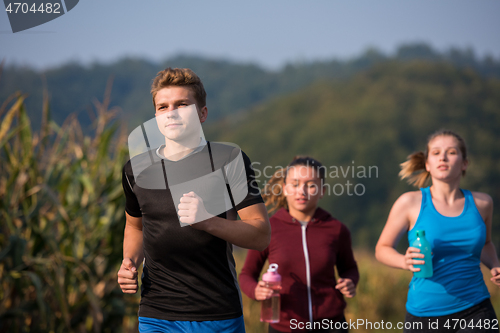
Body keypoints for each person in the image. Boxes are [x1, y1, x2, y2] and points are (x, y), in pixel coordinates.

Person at [117, 67, 271, 333]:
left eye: (182, 104)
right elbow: (135, 226)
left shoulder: (229, 160)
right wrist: (128, 262)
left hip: (216, 312)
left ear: (202, 114)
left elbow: (260, 235)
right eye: (163, 107)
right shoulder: (136, 168)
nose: (171, 112)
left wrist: (208, 222)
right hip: (156, 312)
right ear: (156, 116)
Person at [375, 130, 500, 332]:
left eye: (451, 152)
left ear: (464, 163)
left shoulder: (483, 203)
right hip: (424, 315)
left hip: (476, 309)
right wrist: (404, 261)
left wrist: (495, 264)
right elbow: (382, 248)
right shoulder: (409, 202)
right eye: (435, 153)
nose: (442, 157)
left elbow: (485, 243)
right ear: (427, 164)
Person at [239, 156, 359, 333]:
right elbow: (246, 274)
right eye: (295, 184)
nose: (301, 191)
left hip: (332, 325)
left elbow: (350, 269)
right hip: (284, 327)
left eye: (310, 185)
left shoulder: (336, 229)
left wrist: (350, 282)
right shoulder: (269, 229)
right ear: (285, 189)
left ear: (322, 190)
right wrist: (255, 291)